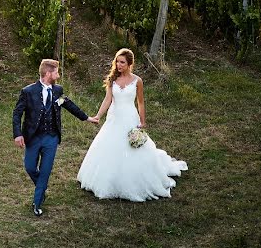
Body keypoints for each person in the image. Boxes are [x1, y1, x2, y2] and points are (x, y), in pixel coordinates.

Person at [76, 48, 188, 201]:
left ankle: (136, 179)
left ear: (129, 64)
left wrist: (142, 121)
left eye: (122, 62)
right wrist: (98, 116)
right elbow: (107, 100)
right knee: (110, 147)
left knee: (134, 147)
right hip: (114, 118)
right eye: (117, 61)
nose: (119, 64)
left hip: (130, 117)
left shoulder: (137, 81)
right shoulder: (112, 79)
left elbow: (140, 102)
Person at [13, 59, 99, 216]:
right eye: (56, 72)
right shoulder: (28, 92)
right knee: (30, 167)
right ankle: (42, 187)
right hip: (33, 137)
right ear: (47, 74)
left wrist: (86, 118)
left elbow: (68, 104)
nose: (58, 75)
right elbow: (17, 113)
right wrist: (18, 134)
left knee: (45, 171)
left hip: (51, 138)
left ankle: (37, 202)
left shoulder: (57, 90)